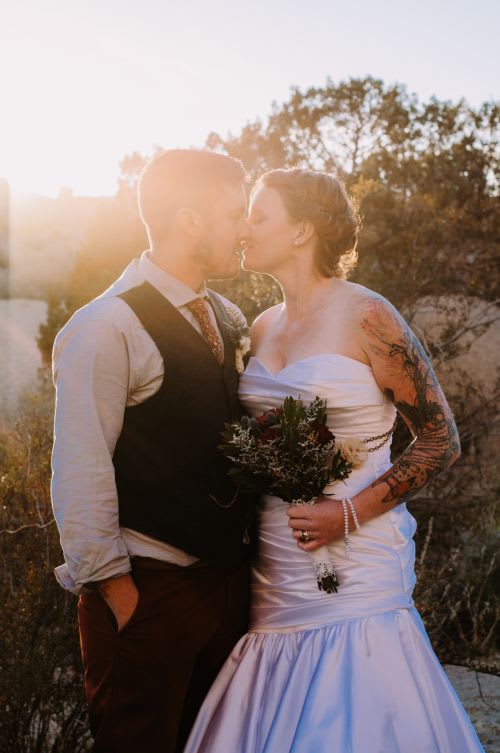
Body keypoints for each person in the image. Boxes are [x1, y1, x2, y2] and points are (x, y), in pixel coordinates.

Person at [183, 168, 485, 752]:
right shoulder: (261, 326)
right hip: (276, 563)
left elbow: (439, 437)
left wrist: (346, 514)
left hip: (357, 556)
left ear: (301, 230)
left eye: (259, 216)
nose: (245, 228)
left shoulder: (369, 316)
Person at [51, 149, 256, 753]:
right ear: (190, 221)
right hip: (146, 594)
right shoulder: (105, 326)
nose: (244, 228)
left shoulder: (228, 314)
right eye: (235, 213)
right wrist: (121, 597)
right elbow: (80, 472)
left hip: (226, 593)